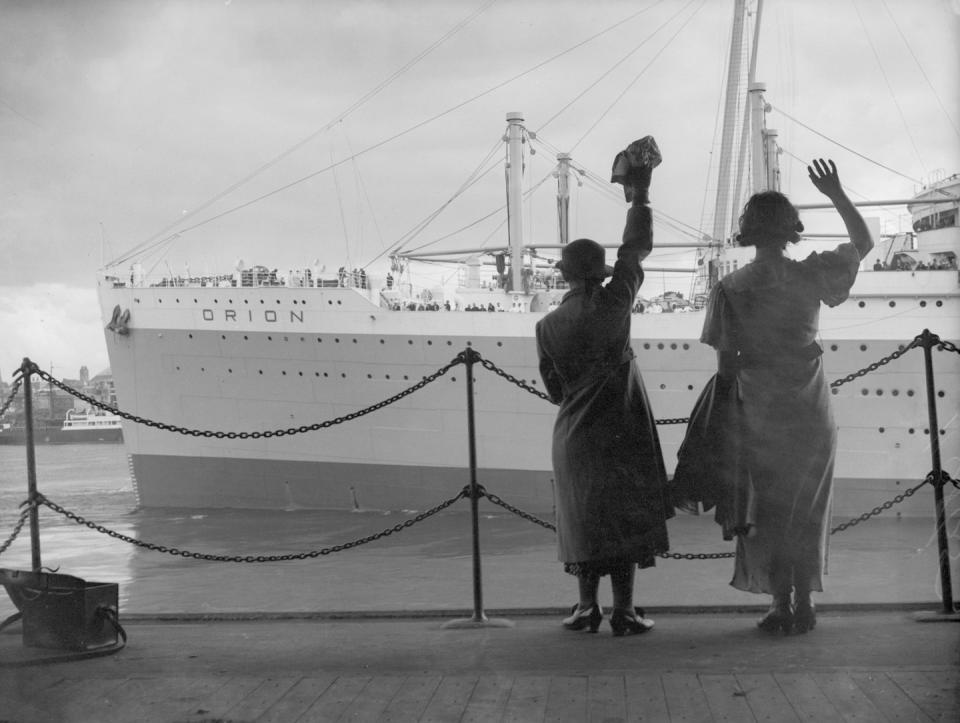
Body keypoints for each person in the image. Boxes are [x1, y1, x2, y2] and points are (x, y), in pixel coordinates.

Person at [674, 158, 874, 635]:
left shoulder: (729, 288)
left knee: (766, 508)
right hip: (810, 405)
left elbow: (725, 365)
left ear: (747, 231)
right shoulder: (812, 275)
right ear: (791, 229)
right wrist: (837, 193)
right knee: (808, 504)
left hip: (758, 406)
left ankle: (779, 606)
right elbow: (864, 244)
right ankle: (805, 603)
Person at [535, 137, 672, 637]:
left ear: (566, 275)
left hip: (574, 434)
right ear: (601, 272)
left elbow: (554, 390)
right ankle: (626, 612)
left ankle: (585, 609)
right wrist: (639, 198)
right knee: (624, 522)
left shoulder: (546, 327)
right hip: (623, 428)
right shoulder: (616, 306)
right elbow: (635, 251)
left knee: (584, 521)